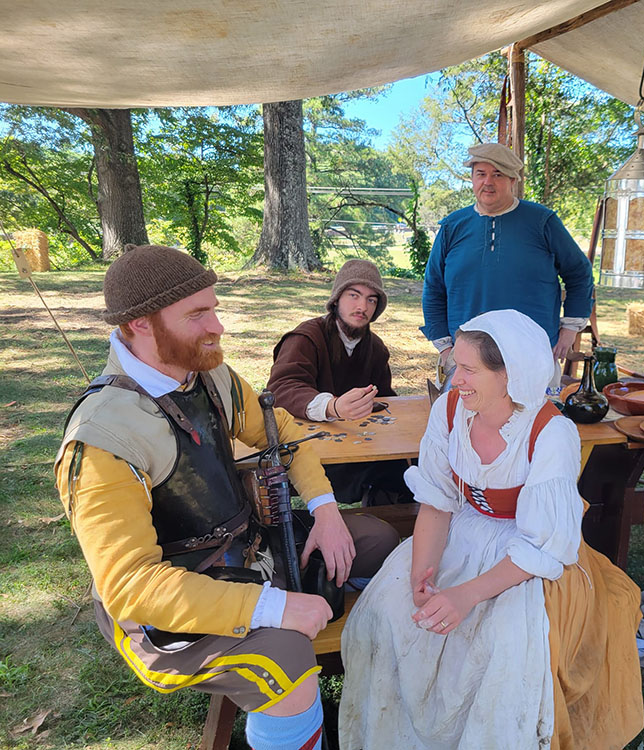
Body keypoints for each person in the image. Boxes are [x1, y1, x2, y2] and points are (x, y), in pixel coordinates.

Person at [55, 245, 399, 750]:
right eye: (198, 314)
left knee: (376, 536)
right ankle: (296, 725)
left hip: (249, 549)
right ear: (141, 324)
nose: (218, 326)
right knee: (283, 655)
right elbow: (130, 587)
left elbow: (282, 431)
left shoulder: (209, 375)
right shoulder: (102, 436)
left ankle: (362, 668)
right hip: (166, 614)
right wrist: (273, 607)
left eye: (213, 307)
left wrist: (326, 512)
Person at [338, 309, 644, 750]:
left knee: (501, 646)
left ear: (510, 375)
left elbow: (544, 545)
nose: (454, 378)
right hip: (460, 532)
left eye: (468, 369)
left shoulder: (550, 432)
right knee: (390, 610)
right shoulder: (449, 410)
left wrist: (465, 594)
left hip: (527, 556)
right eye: (454, 365)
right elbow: (438, 503)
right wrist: (421, 574)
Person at [420, 143, 595, 386]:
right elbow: (433, 288)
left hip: (531, 356)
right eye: (481, 174)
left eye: (498, 174)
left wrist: (570, 329)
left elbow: (580, 274)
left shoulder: (542, 222)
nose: (488, 182)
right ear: (472, 179)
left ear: (513, 180)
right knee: (463, 422)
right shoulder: (453, 227)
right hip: (467, 359)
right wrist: (444, 346)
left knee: (534, 423)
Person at [268, 258, 412, 505]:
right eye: (354, 295)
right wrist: (332, 406)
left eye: (371, 300)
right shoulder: (306, 338)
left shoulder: (375, 348)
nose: (362, 306)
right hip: (306, 448)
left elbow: (385, 398)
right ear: (336, 300)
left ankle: (390, 515)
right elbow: (281, 388)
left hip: (357, 444)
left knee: (411, 466)